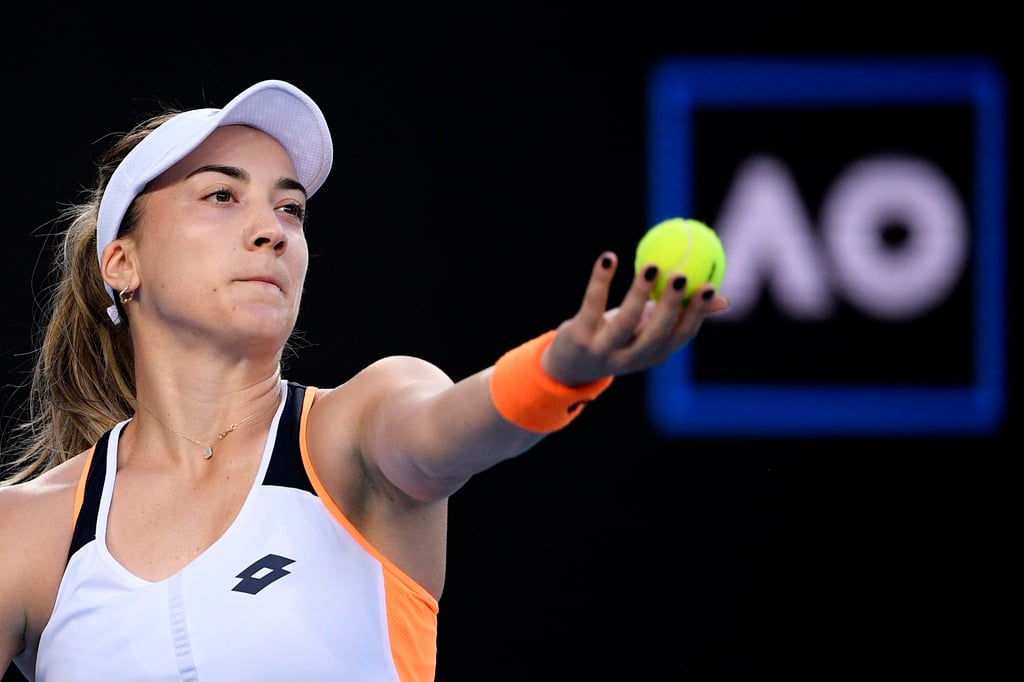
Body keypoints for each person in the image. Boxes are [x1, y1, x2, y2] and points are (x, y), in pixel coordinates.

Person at [0, 79, 728, 681]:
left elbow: (454, 428)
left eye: (290, 207)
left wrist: (561, 368)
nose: (272, 229)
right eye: (222, 196)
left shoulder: (359, 429)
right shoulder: (25, 531)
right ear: (121, 263)